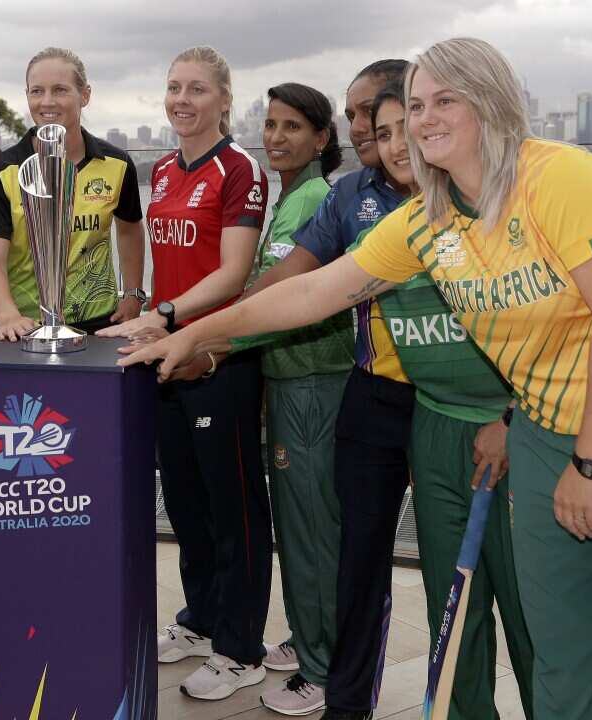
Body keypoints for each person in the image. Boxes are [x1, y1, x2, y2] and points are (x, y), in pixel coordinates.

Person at [121, 37, 592, 720]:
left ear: (492, 103)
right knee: (565, 660)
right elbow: (313, 294)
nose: (424, 119)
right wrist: (190, 332)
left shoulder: (561, 177)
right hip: (550, 435)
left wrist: (589, 464)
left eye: (444, 101)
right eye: (413, 105)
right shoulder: (425, 223)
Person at [352, 84, 534, 720]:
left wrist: (514, 418)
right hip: (434, 425)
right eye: (384, 134)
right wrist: (194, 332)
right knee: (452, 613)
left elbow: (574, 326)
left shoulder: (504, 206)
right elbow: (306, 289)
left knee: (533, 615)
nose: (399, 143)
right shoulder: (393, 228)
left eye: (411, 125)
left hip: (518, 431)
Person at [98, 45, 271, 701]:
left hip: (217, 357)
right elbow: (150, 252)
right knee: (189, 505)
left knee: (235, 509)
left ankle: (241, 647)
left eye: (197, 89)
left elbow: (233, 274)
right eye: (174, 88)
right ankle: (200, 621)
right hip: (164, 358)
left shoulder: (240, 170)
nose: (182, 100)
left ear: (224, 100)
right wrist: (143, 310)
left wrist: (164, 315)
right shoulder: (163, 168)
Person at [213, 82, 355, 716]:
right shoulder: (291, 196)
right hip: (288, 379)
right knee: (299, 528)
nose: (275, 137)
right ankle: (306, 641)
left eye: (292, 126)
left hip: (316, 384)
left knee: (311, 532)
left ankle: (323, 671)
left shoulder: (320, 200)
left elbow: (283, 302)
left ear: (323, 139)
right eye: (269, 125)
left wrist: (206, 343)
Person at [0, 47, 146, 339]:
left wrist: (132, 293)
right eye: (37, 91)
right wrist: (7, 314)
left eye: (60, 90)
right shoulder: (4, 171)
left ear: (85, 95)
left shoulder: (116, 164)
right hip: (25, 326)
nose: (47, 102)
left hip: (99, 323)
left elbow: (130, 230)